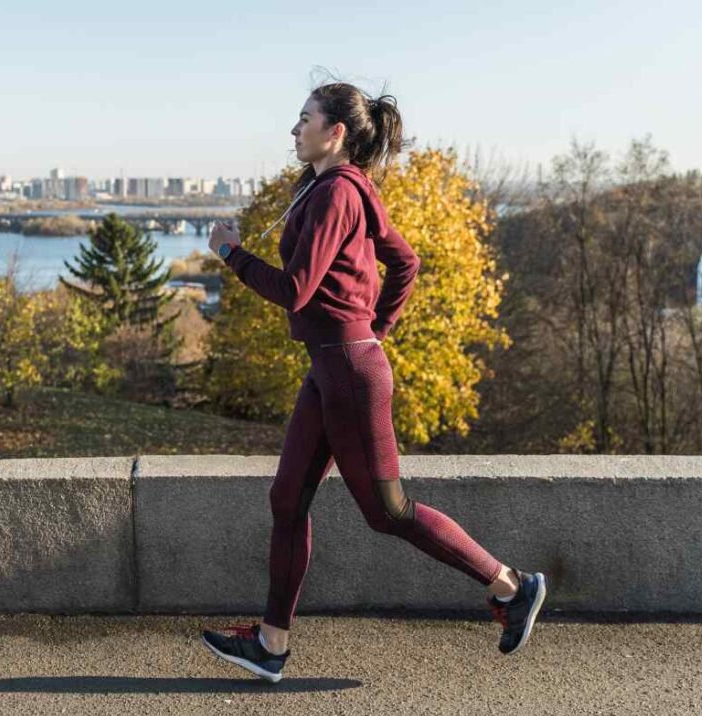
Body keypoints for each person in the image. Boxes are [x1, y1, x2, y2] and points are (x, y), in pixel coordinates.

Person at [199, 82, 546, 684]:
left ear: (335, 132)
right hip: (332, 365)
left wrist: (231, 253)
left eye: (304, 119)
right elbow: (403, 262)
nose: (293, 129)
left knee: (389, 511)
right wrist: (373, 329)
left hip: (350, 373)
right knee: (287, 500)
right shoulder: (336, 187)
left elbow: (295, 290)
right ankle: (271, 643)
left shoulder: (338, 192)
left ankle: (513, 586)